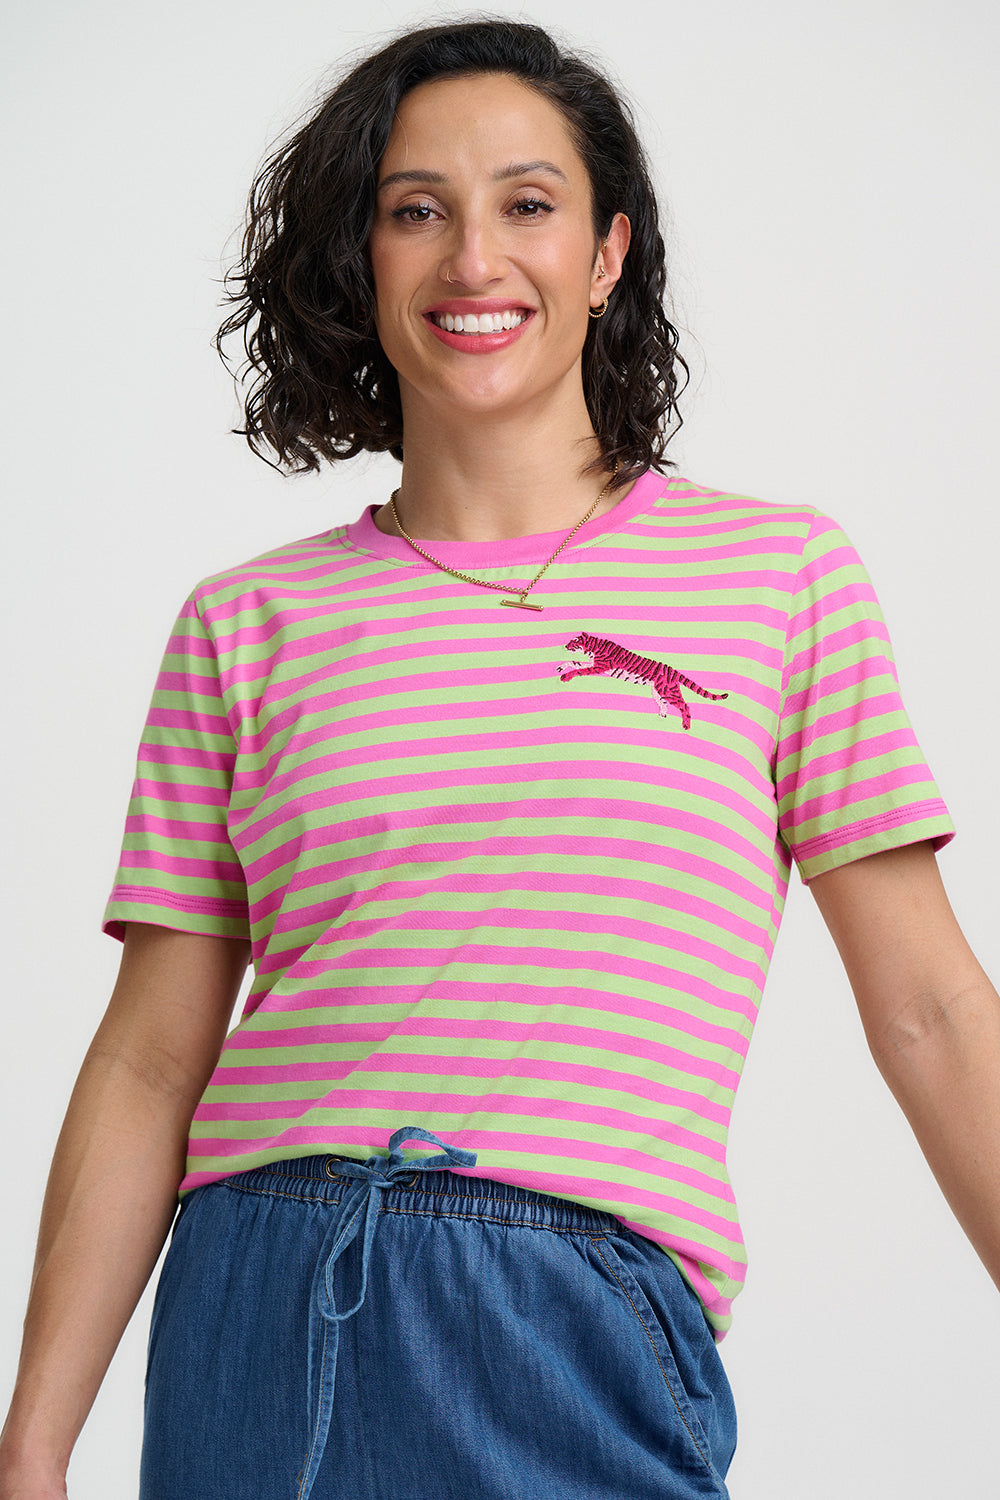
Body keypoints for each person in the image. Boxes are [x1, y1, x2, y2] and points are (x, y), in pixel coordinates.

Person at [1, 16, 998, 1500]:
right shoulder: (247, 621)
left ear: (606, 255)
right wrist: (33, 1446)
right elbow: (150, 1060)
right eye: (418, 211)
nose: (474, 258)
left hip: (563, 1308)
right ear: (366, 258)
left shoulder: (776, 576)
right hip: (251, 1304)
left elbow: (926, 1008)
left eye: (527, 204)